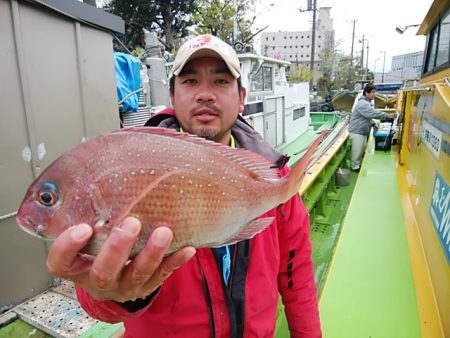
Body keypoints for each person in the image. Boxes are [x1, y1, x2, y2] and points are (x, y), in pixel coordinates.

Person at [46, 34, 322, 338]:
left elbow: (297, 275)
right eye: (190, 82)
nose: (205, 94)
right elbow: (98, 300)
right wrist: (112, 292)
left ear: (242, 97)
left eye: (220, 81)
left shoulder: (272, 177)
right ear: (173, 96)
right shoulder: (137, 158)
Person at [348, 83, 397, 171]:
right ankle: (354, 167)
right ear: (366, 93)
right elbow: (373, 113)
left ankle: (357, 165)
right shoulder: (363, 103)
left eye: (375, 92)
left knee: (361, 148)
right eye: (373, 92)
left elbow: (367, 117)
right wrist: (388, 116)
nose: (374, 94)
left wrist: (373, 124)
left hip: (362, 130)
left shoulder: (366, 102)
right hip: (357, 131)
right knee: (357, 150)